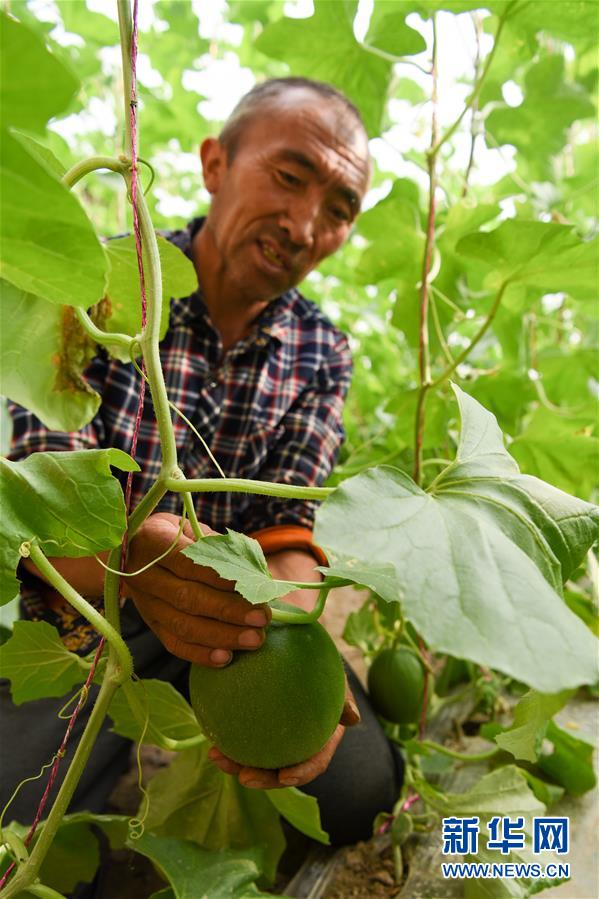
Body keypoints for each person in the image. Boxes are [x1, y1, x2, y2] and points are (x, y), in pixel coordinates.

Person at [3, 77, 404, 847]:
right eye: (289, 178)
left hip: (238, 625)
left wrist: (296, 681)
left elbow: (288, 532)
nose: (303, 222)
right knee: (17, 827)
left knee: (357, 793)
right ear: (216, 163)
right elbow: (42, 513)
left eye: (338, 209)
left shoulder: (321, 350)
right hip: (83, 616)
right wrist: (131, 559)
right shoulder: (93, 293)